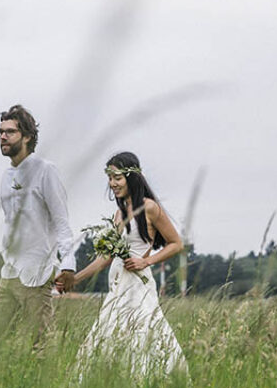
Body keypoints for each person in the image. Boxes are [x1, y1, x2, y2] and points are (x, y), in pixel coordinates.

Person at [57, 151, 188, 376]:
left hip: (138, 284)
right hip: (117, 286)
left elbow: (176, 243)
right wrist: (75, 279)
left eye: (117, 177)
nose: (112, 183)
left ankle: (149, 382)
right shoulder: (118, 214)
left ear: (132, 176)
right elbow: (106, 258)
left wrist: (145, 261)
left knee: (142, 333)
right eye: (109, 178)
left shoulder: (149, 207)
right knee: (109, 334)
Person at [0, 104, 77, 353]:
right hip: (10, 273)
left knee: (39, 347)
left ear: (27, 136)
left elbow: (62, 222)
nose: (3, 137)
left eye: (10, 132)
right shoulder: (6, 177)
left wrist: (68, 265)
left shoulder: (46, 171)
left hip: (37, 274)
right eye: (0, 132)